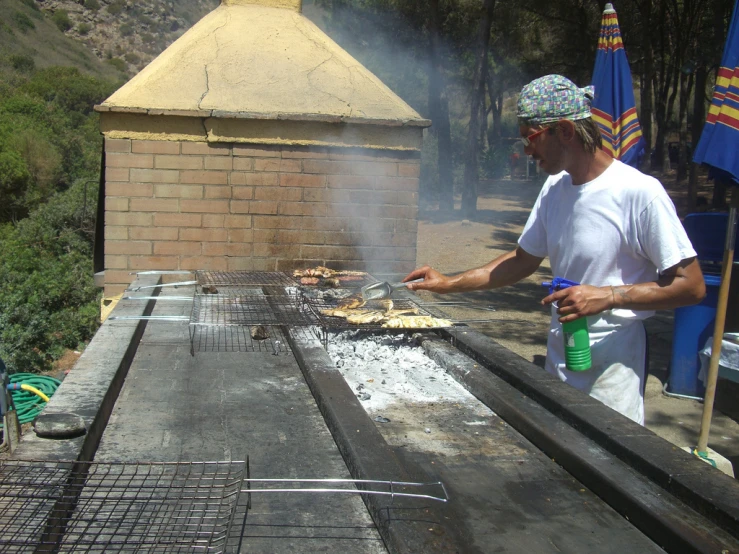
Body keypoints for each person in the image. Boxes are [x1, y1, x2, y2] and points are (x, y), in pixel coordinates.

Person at [403, 74, 706, 425]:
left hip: (613, 362)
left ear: (564, 131)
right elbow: (521, 261)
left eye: (530, 138)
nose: (526, 150)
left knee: (609, 462)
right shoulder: (555, 188)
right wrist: (447, 283)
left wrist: (609, 295)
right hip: (563, 350)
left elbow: (691, 285)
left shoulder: (639, 193)